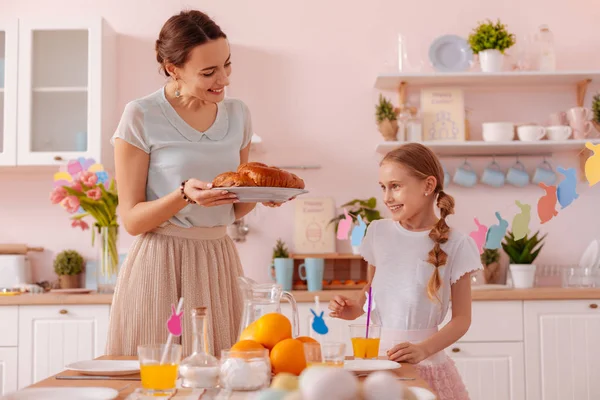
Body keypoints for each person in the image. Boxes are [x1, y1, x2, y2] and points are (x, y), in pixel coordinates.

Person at [105, 10, 286, 358]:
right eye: (209, 72)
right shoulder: (141, 115)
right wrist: (183, 195)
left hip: (218, 261)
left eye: (227, 65)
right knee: (158, 378)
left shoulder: (238, 114)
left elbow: (235, 207)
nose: (224, 79)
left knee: (222, 375)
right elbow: (131, 220)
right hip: (160, 263)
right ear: (174, 68)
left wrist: (263, 194)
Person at [328, 143, 481, 400]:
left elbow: (462, 320)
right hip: (374, 363)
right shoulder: (378, 232)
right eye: (383, 187)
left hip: (425, 365)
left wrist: (423, 349)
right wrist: (354, 309)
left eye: (395, 186)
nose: (387, 197)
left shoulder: (458, 244)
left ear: (428, 186)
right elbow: (373, 293)